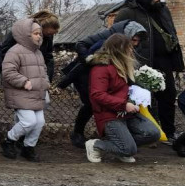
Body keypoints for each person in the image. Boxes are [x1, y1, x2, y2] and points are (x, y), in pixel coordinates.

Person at [114, 0, 185, 141]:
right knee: (141, 99)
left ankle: (168, 132)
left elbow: (171, 32)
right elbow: (116, 37)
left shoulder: (163, 10)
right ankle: (145, 133)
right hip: (140, 64)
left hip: (164, 61)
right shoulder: (128, 13)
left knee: (168, 96)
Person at [61, 20, 147, 148]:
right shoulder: (109, 37)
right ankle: (78, 133)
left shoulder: (130, 46)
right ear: (127, 37)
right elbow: (81, 44)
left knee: (109, 100)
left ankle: (119, 137)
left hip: (108, 72)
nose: (136, 44)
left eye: (137, 41)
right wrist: (90, 59)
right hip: (88, 71)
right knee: (91, 103)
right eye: (133, 40)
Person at [83, 34, 162, 164]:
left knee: (153, 133)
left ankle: (122, 148)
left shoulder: (121, 66)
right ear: (120, 49)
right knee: (128, 148)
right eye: (129, 47)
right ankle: (96, 145)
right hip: (109, 115)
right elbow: (97, 94)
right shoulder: (101, 68)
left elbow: (124, 89)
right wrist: (123, 104)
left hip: (126, 113)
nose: (132, 50)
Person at [1, 19, 50, 162]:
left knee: (39, 122)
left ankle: (28, 147)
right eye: (35, 33)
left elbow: (44, 70)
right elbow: (8, 72)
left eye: (40, 34)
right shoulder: (15, 51)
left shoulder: (38, 52)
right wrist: (24, 82)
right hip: (21, 94)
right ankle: (9, 140)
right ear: (26, 34)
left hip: (36, 94)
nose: (39, 36)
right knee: (28, 122)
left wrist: (45, 82)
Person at [0, 9, 59, 83]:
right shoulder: (19, 31)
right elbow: (4, 52)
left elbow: (48, 57)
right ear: (41, 27)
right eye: (48, 33)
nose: (49, 36)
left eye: (52, 34)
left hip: (39, 79)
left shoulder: (48, 36)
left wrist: (48, 79)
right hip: (19, 77)